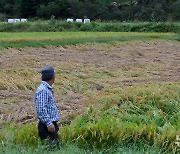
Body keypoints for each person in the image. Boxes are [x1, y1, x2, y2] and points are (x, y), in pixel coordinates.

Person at [35, 66, 60, 145]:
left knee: (55, 147)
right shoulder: (43, 90)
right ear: (52, 76)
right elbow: (41, 109)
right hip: (47, 126)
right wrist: (49, 123)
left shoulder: (46, 88)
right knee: (53, 149)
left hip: (49, 125)